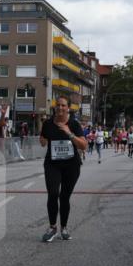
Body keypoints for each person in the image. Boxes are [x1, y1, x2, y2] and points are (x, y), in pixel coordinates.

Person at [40, 96, 88, 242]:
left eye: (63, 105)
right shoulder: (48, 123)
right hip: (52, 164)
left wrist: (69, 133)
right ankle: (53, 227)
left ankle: (64, 228)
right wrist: (42, 137)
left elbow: (83, 145)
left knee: (64, 197)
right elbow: (43, 142)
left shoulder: (74, 124)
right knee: (53, 193)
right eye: (58, 105)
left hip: (71, 165)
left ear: (68, 108)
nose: (60, 108)